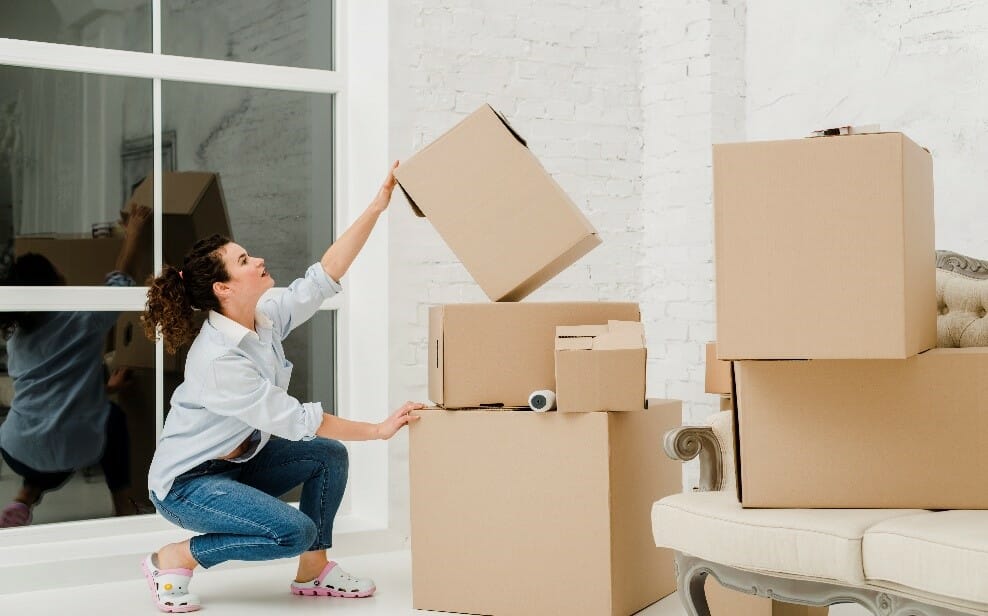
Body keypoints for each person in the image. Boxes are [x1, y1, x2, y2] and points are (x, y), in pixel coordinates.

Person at [140, 162, 421, 613]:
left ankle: (313, 572)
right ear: (223, 288)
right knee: (292, 531)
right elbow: (296, 420)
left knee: (328, 455)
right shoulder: (218, 360)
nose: (258, 261)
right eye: (244, 261)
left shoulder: (264, 315)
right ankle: (174, 558)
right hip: (187, 485)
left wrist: (378, 204)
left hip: (235, 466)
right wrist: (379, 430)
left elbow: (323, 277)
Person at [0, 205, 152, 527]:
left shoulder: (17, 336)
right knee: (111, 419)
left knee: (47, 434)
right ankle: (123, 503)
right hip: (66, 456)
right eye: (59, 273)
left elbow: (55, 383)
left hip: (15, 449)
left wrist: (105, 387)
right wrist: (135, 235)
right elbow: (120, 284)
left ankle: (23, 500)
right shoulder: (83, 319)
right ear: (52, 285)